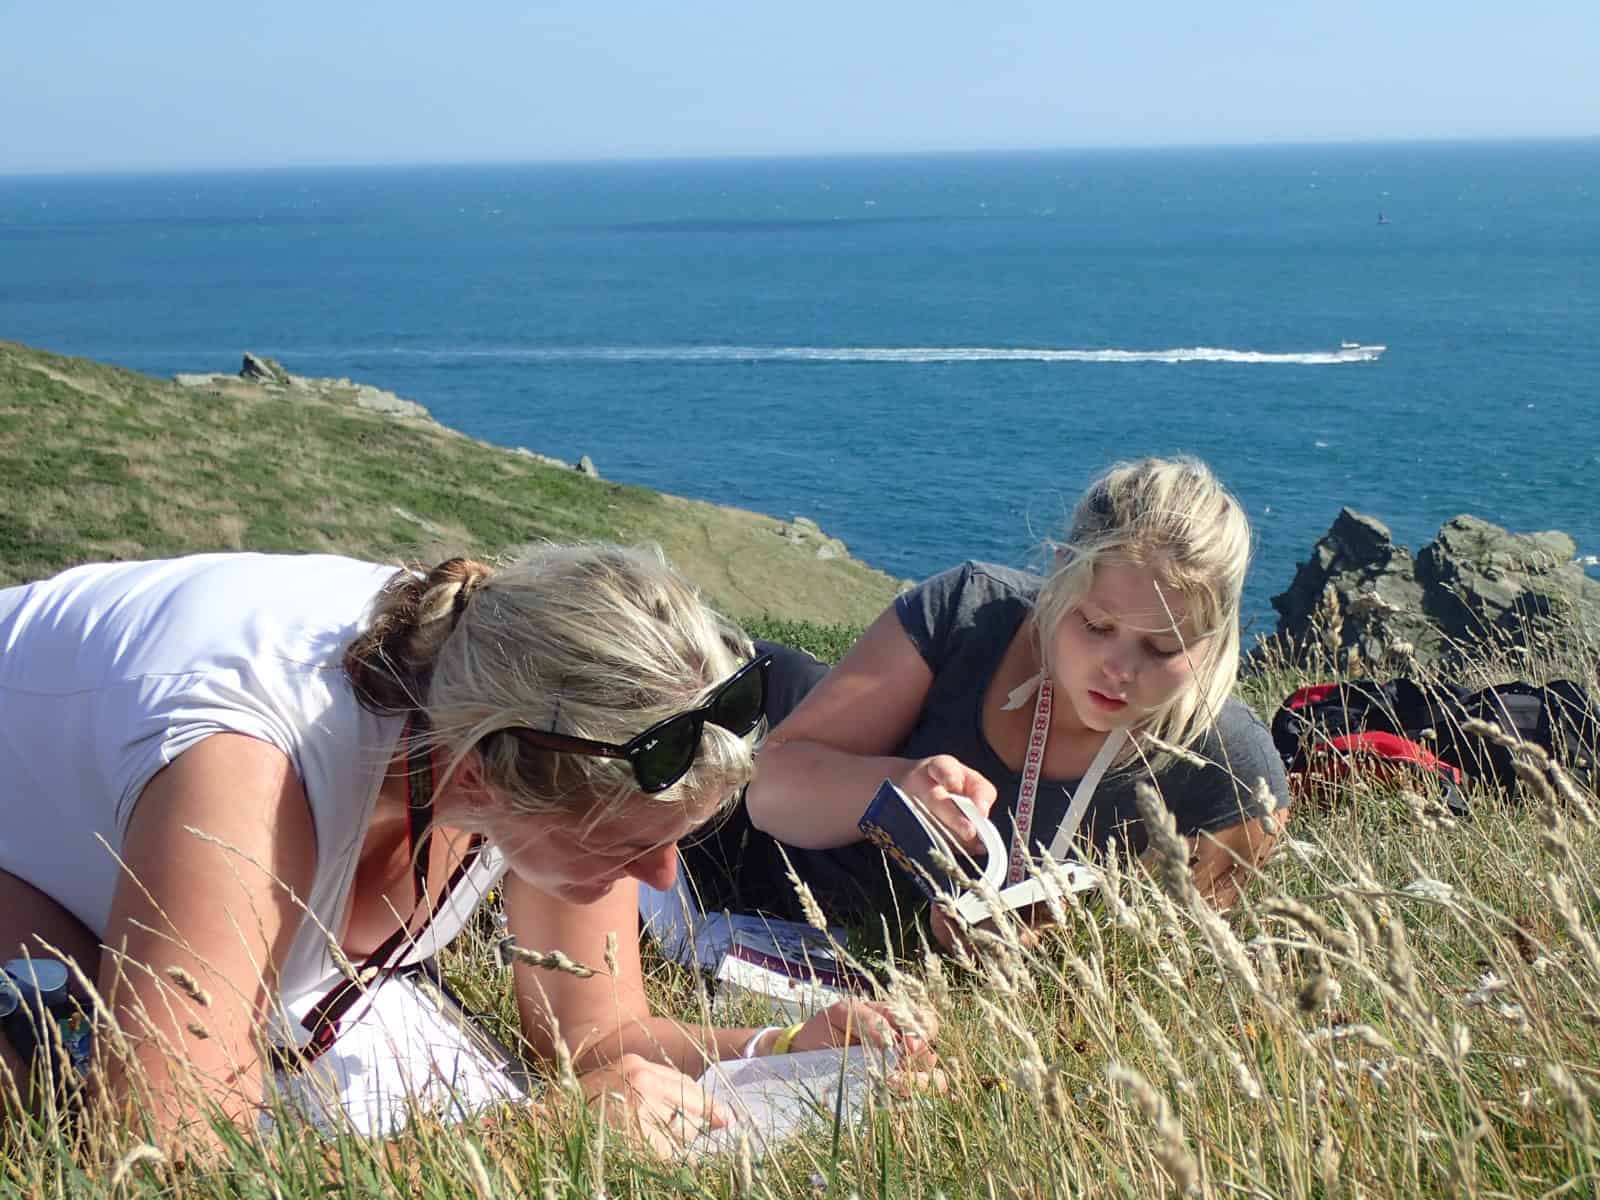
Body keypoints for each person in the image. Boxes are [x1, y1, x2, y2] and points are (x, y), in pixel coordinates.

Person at [0, 545, 920, 1155]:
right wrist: (537, 1139)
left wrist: (785, 1047)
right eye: (624, 850)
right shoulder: (244, 769)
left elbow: (592, 1032)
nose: (663, 880)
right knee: (57, 1080)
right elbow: (168, 1152)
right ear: (477, 783)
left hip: (127, 818)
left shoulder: (529, 698)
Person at [668, 456, 1289, 946]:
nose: (1120, 670)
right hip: (743, 852)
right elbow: (769, 792)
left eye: (1162, 648)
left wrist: (1063, 961)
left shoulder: (1234, 775)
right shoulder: (965, 614)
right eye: (1096, 626)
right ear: (1059, 575)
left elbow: (1182, 969)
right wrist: (899, 788)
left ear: (1217, 637)